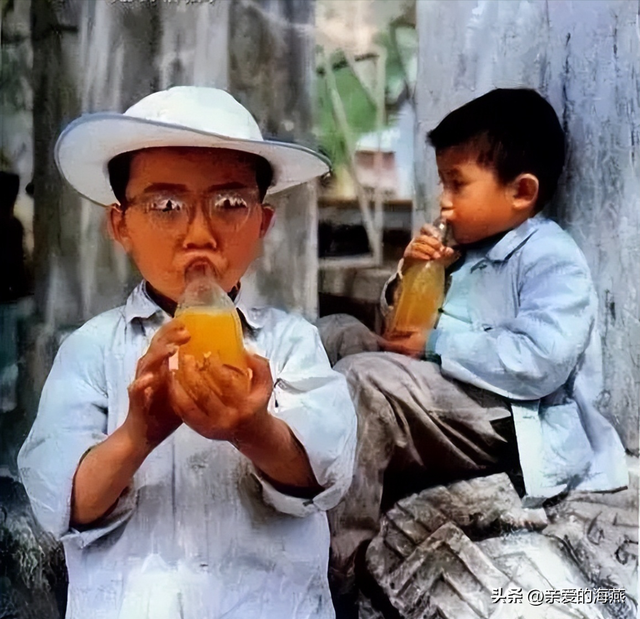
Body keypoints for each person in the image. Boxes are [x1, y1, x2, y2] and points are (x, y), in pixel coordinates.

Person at [18, 86, 357, 619]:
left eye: (229, 204)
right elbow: (61, 501)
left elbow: (325, 474)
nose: (199, 234)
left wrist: (255, 430)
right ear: (120, 225)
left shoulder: (289, 344)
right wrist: (137, 436)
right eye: (166, 206)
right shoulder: (92, 349)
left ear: (262, 223)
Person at [318, 88, 628, 614]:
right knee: (331, 335)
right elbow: (398, 330)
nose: (443, 200)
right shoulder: (463, 250)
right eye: (443, 181)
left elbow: (539, 362)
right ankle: (279, 485)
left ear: (521, 192)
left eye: (456, 184)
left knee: (363, 383)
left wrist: (436, 344)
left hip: (512, 421)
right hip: (452, 397)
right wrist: (411, 274)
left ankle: (335, 576)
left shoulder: (551, 258)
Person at [0, 170, 31, 413]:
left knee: (9, 353)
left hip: (11, 299)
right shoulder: (13, 226)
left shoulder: (13, 226)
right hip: (11, 298)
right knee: (9, 353)